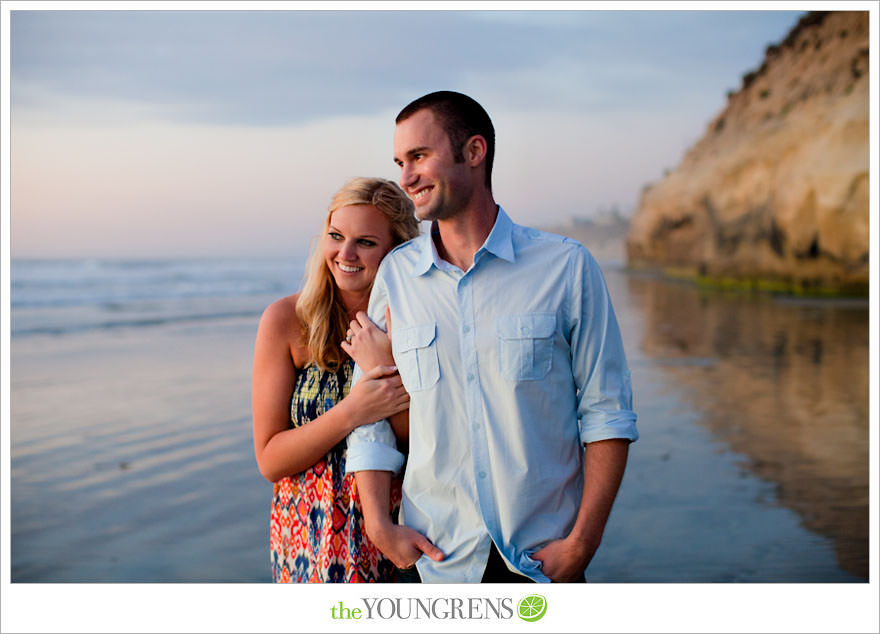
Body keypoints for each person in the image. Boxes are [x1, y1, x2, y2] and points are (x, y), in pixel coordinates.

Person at [345, 91, 639, 583]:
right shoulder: (397, 277)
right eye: (400, 161)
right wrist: (380, 526)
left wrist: (582, 544)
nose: (406, 177)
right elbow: (369, 412)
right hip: (434, 563)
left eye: (419, 156)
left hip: (541, 564)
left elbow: (607, 413)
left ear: (475, 152)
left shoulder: (565, 268)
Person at [251, 177, 419, 583]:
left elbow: (425, 440)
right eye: (336, 236)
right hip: (308, 539)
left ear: (396, 252)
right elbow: (270, 460)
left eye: (365, 242)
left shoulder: (416, 323)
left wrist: (382, 362)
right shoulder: (285, 321)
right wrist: (352, 412)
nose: (345, 253)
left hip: (402, 535)